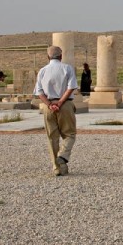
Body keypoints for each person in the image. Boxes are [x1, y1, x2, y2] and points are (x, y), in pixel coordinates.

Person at [34, 46, 78, 176]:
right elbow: (71, 88)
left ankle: (57, 168)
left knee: (52, 138)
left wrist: (49, 104)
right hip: (64, 104)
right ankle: (63, 156)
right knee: (69, 134)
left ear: (48, 57)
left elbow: (39, 92)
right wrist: (60, 102)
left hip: (48, 107)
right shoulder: (67, 68)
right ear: (61, 56)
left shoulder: (42, 71)